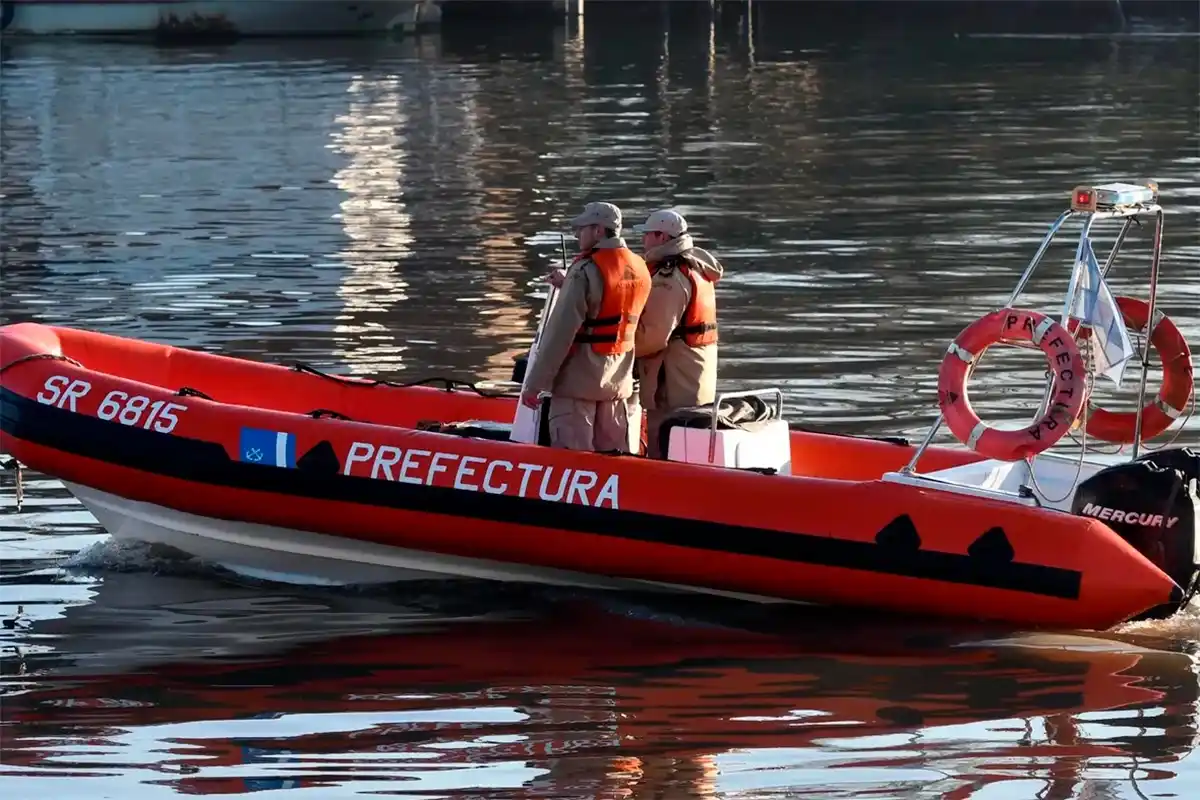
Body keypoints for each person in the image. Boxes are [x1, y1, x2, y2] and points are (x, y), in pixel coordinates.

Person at [520, 201, 652, 454]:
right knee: (614, 461)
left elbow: (559, 335)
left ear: (599, 231)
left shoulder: (585, 270)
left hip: (578, 386)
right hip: (618, 385)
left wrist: (535, 384)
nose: (578, 234)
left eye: (582, 229)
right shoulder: (639, 267)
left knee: (573, 461)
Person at [631, 209, 724, 458]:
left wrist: (618, 349)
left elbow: (653, 335)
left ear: (662, 237)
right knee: (686, 443)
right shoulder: (696, 267)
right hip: (693, 378)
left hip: (673, 383)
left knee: (664, 446)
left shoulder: (668, 278)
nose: (644, 241)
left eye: (648, 234)